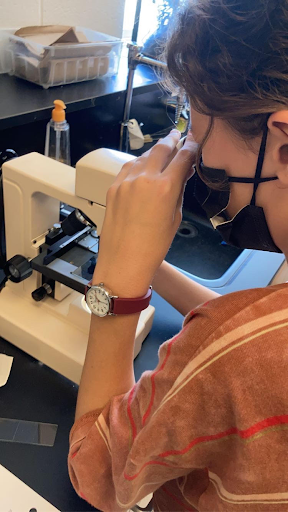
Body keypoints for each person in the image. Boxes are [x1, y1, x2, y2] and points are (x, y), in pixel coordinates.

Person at [68, 0, 288, 510]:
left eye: (199, 135)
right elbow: (245, 328)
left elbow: (99, 473)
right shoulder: (250, 342)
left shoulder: (237, 356)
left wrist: (117, 285)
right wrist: (143, 259)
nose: (194, 153)